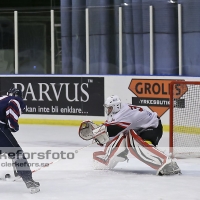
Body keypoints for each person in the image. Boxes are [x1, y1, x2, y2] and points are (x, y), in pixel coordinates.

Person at [79, 95, 181, 176]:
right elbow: (111, 130)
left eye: (109, 108)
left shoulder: (123, 114)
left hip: (153, 127)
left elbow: (113, 131)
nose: (108, 110)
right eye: (107, 108)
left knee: (132, 140)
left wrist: (98, 134)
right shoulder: (116, 112)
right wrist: (100, 138)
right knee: (126, 135)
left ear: (116, 106)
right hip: (143, 129)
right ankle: (110, 156)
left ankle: (166, 162)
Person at [0, 87, 40, 193]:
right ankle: (28, 180)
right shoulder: (15, 99)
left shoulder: (2, 98)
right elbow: (12, 109)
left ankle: (20, 173)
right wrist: (13, 126)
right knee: (17, 153)